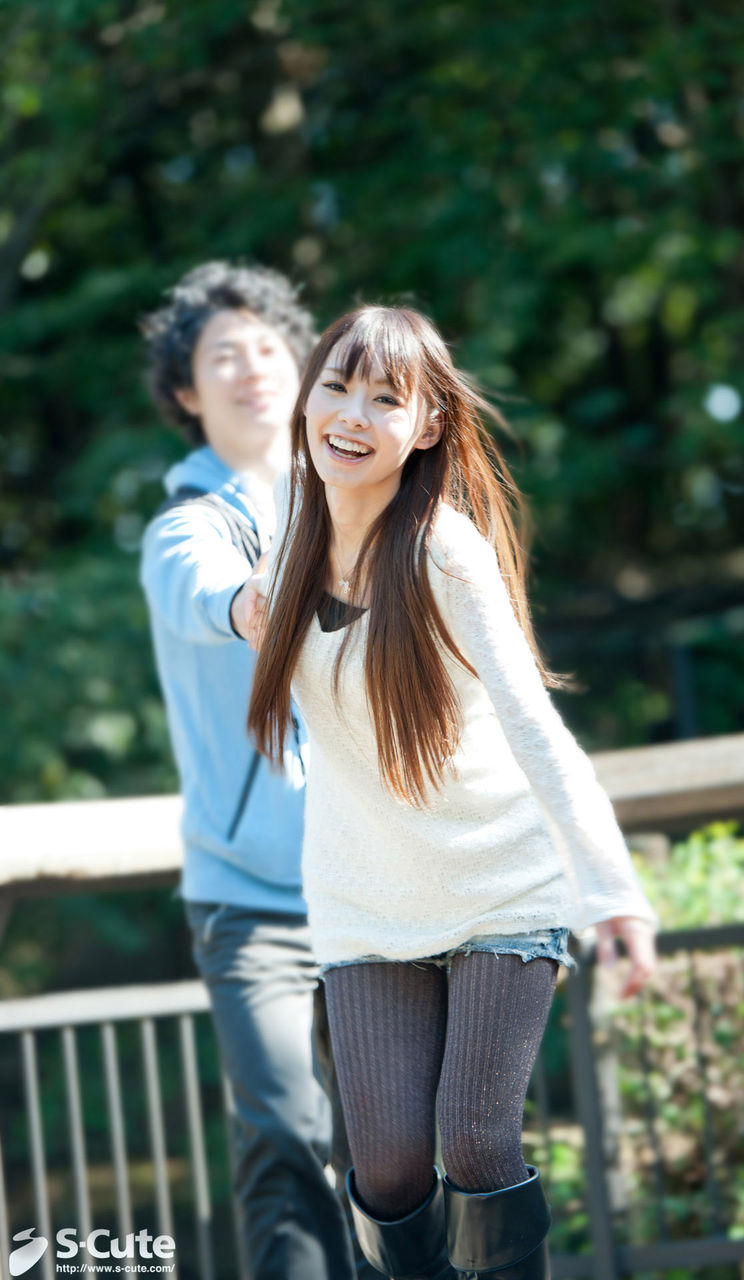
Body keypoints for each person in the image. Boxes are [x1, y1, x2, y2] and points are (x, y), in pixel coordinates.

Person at [245, 304, 658, 1280]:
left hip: (497, 882)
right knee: (386, 1169)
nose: (352, 414)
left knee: (474, 1142)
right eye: (336, 386)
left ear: (427, 425)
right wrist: (233, 605)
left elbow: (535, 730)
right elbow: (233, 604)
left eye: (384, 399)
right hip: (365, 898)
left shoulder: (444, 550)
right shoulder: (289, 537)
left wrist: (613, 891)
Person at [138, 262, 359, 1280]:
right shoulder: (185, 523)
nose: (252, 367)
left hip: (377, 877)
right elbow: (200, 588)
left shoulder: (359, 499)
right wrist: (248, 606)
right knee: (285, 1134)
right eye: (223, 355)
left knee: (402, 1146)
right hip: (252, 899)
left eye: (270, 347)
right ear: (187, 390)